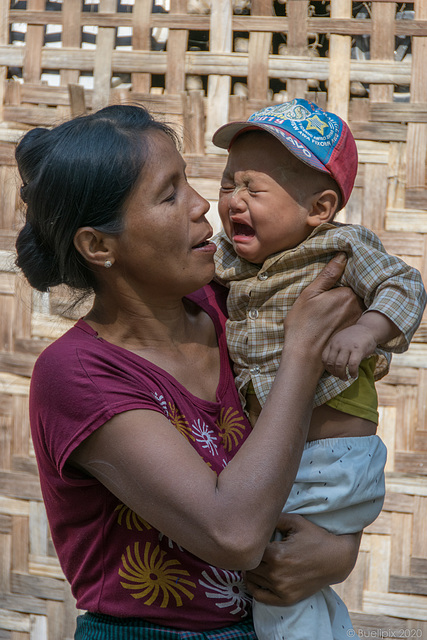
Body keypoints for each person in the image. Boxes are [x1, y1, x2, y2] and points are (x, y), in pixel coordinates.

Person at [15, 104, 364, 640]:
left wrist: (338, 552)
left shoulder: (236, 307)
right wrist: (301, 353)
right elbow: (233, 534)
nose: (204, 205)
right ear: (99, 246)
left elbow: (328, 457)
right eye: (169, 194)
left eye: (190, 183)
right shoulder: (79, 375)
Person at [212, 98, 427, 640]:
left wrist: (365, 331)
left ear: (319, 208)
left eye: (253, 189)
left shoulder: (343, 246)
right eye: (226, 183)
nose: (233, 200)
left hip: (328, 462)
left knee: (278, 591)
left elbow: (405, 286)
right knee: (306, 599)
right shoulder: (228, 259)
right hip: (290, 459)